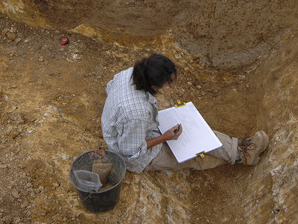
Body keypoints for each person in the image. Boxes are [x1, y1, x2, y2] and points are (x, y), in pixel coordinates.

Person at [101, 54, 268, 173]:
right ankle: (242, 155)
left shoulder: (129, 74)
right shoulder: (137, 113)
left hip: (138, 130)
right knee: (195, 155)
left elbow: (110, 87)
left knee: (195, 132)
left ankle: (236, 147)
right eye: (167, 83)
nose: (168, 86)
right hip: (138, 157)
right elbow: (130, 150)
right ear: (154, 86)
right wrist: (164, 137)